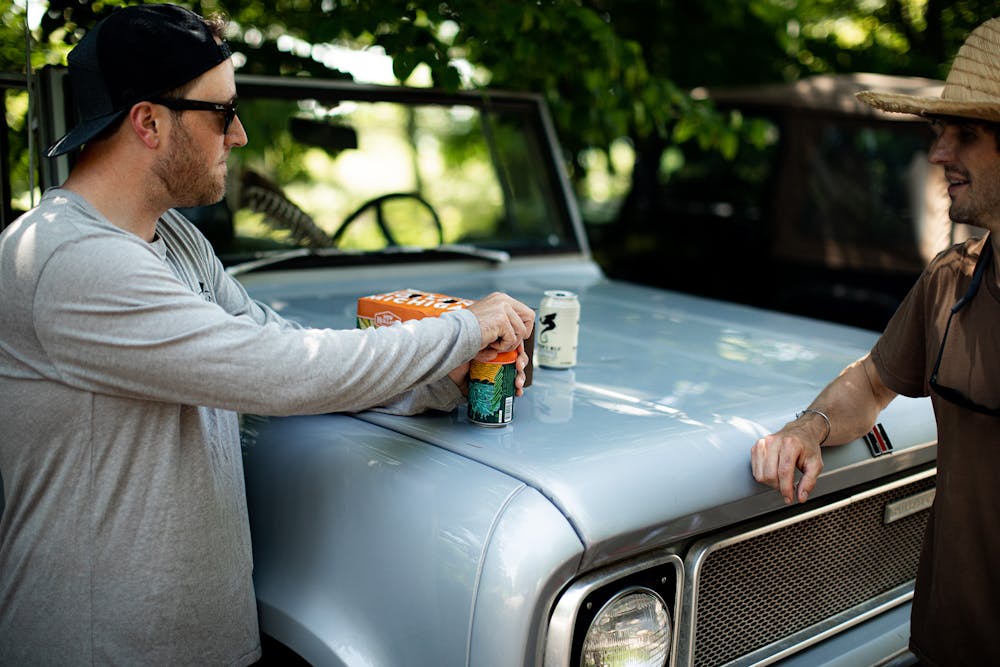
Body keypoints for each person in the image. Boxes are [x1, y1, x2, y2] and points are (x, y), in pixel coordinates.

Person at [0, 5, 533, 665]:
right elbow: (279, 368)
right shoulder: (68, 260)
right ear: (148, 122)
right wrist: (461, 328)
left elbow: (276, 350)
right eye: (223, 113)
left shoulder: (173, 238)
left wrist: (437, 382)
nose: (241, 135)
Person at [750, 17, 1000, 667]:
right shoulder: (952, 282)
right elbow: (871, 382)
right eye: (939, 132)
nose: (939, 153)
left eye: (965, 134)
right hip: (948, 643)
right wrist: (807, 428)